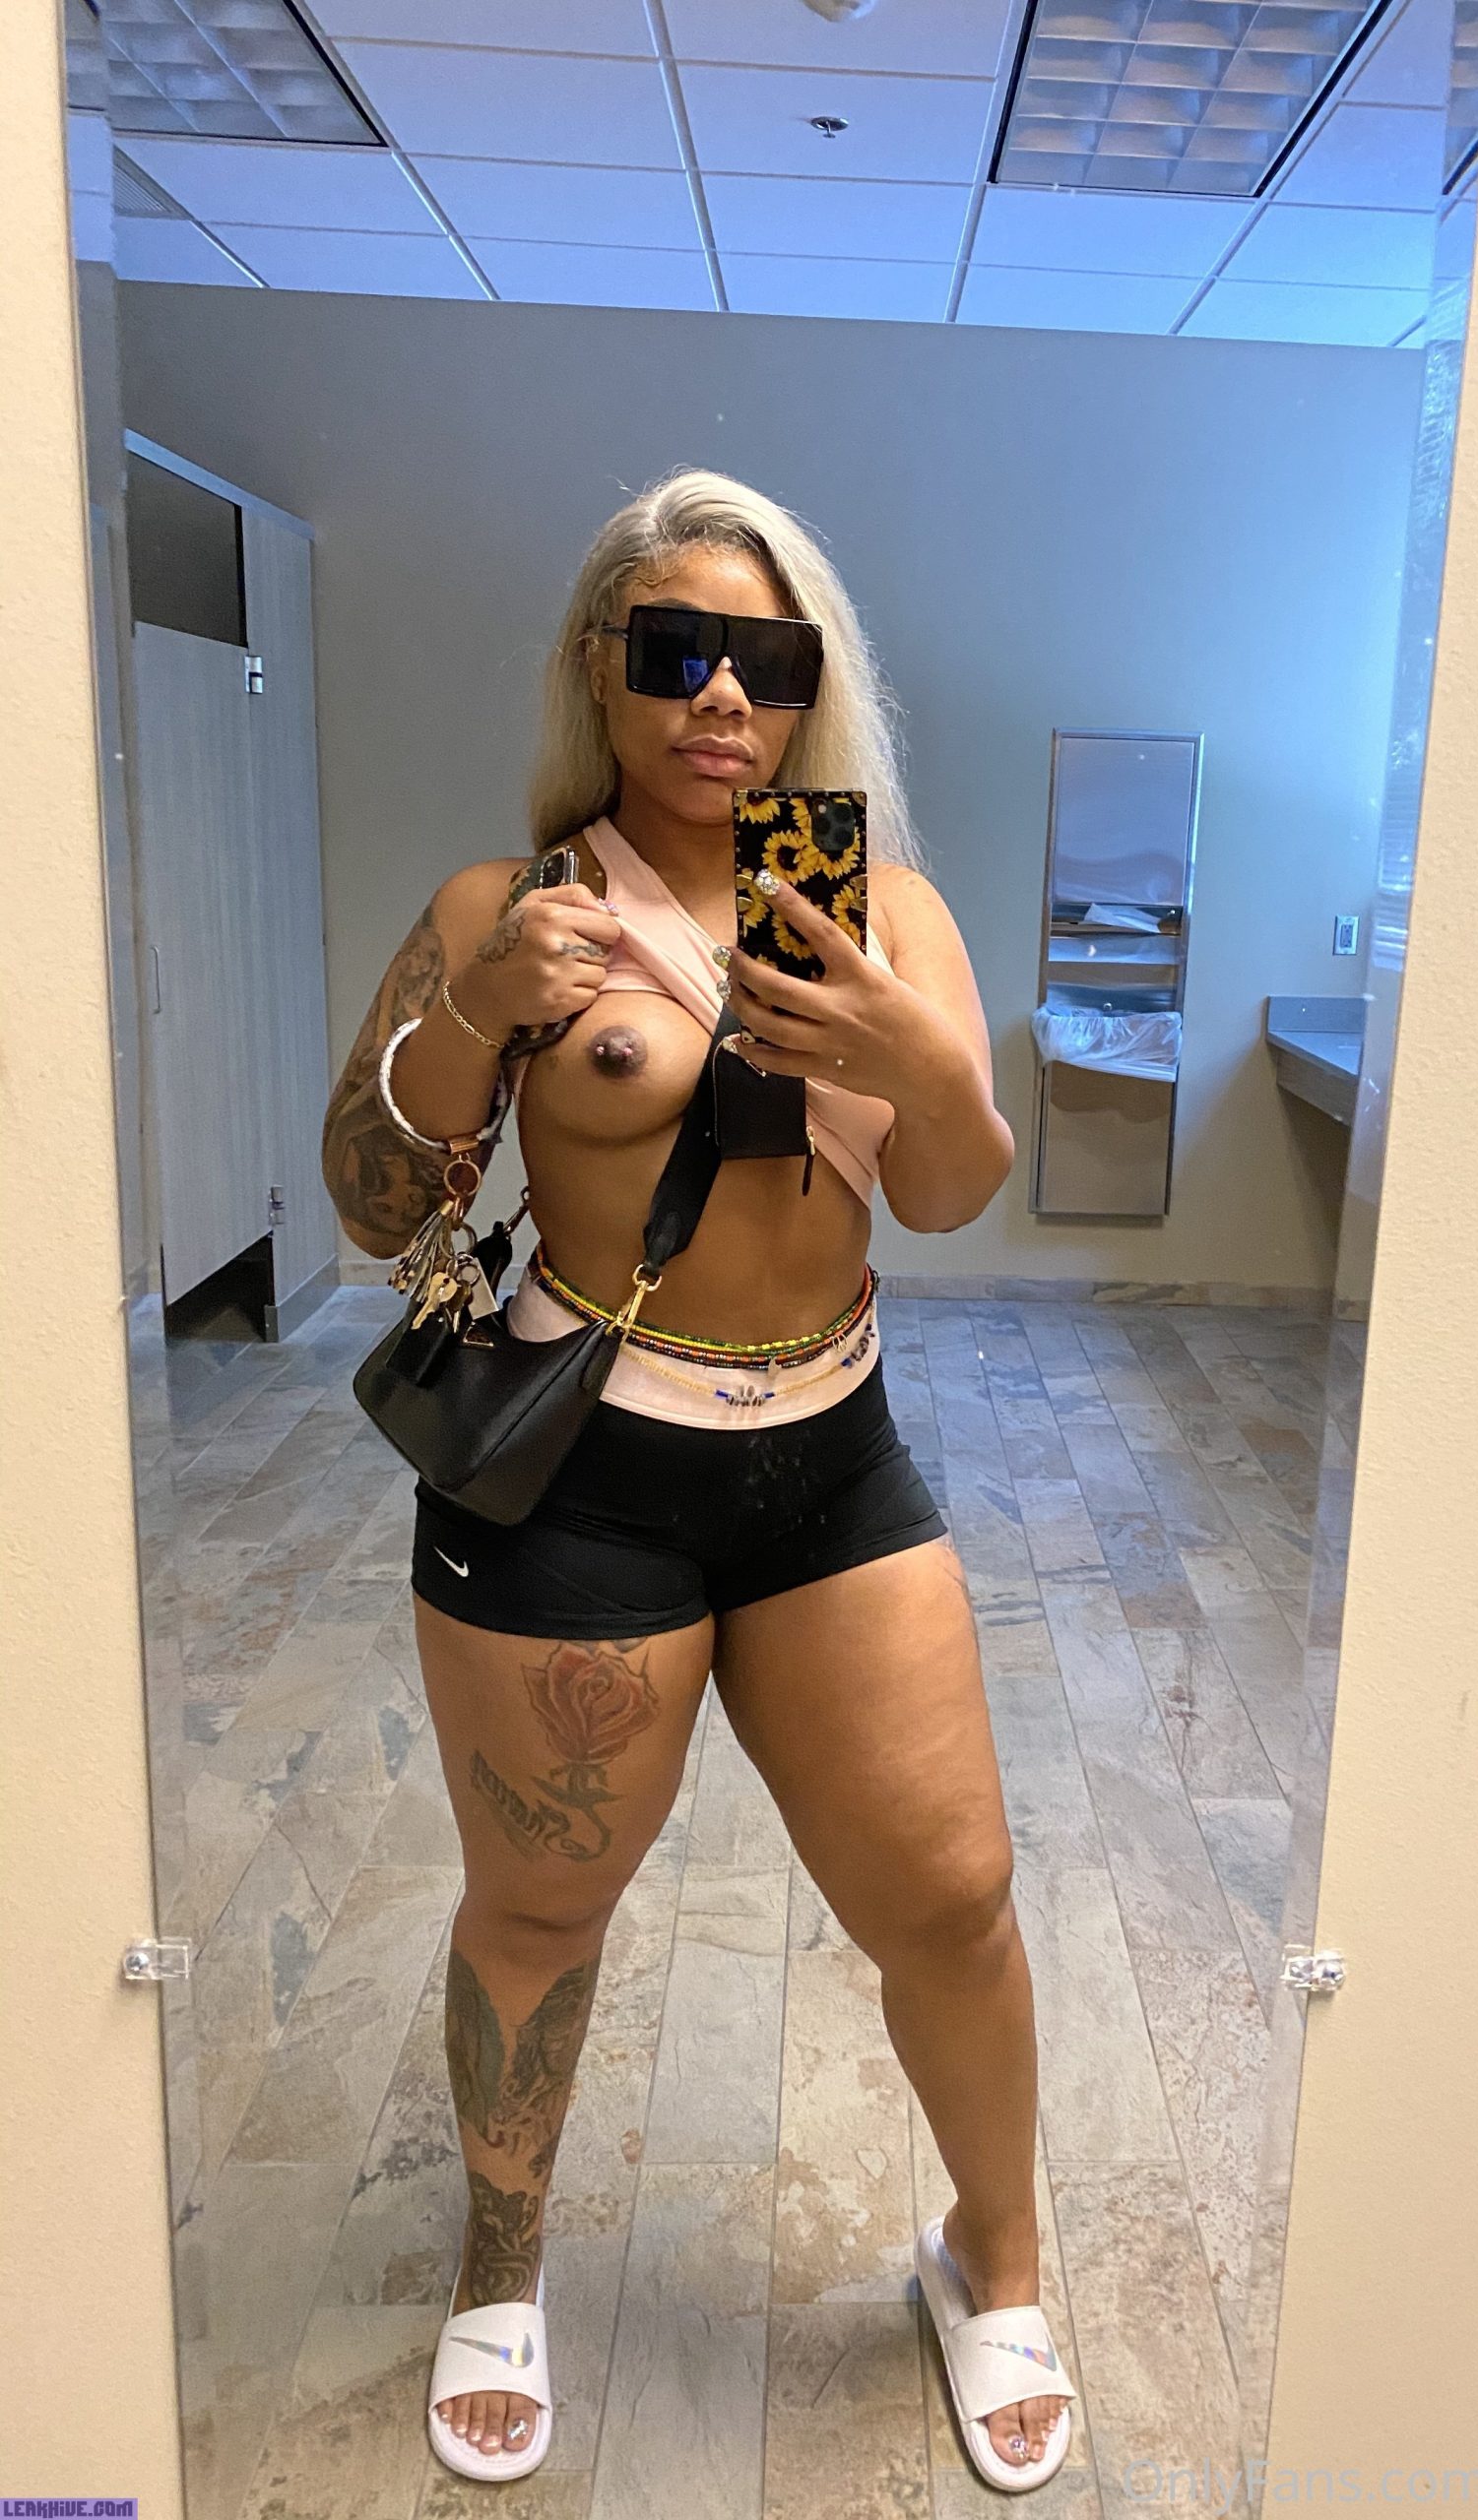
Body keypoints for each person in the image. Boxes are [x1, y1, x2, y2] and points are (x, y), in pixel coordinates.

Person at [320, 468, 1080, 2493]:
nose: (721, 696)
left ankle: (996, 2256)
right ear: (603, 669)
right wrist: (482, 1011)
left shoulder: (884, 910)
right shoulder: (505, 909)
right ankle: (501, 2261)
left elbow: (945, 1193)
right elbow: (370, 1197)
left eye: (766, 657)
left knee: (955, 1895)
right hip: (579, 1469)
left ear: (812, 687)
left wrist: (914, 1054)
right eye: (674, 650)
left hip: (830, 1455)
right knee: (540, 1896)